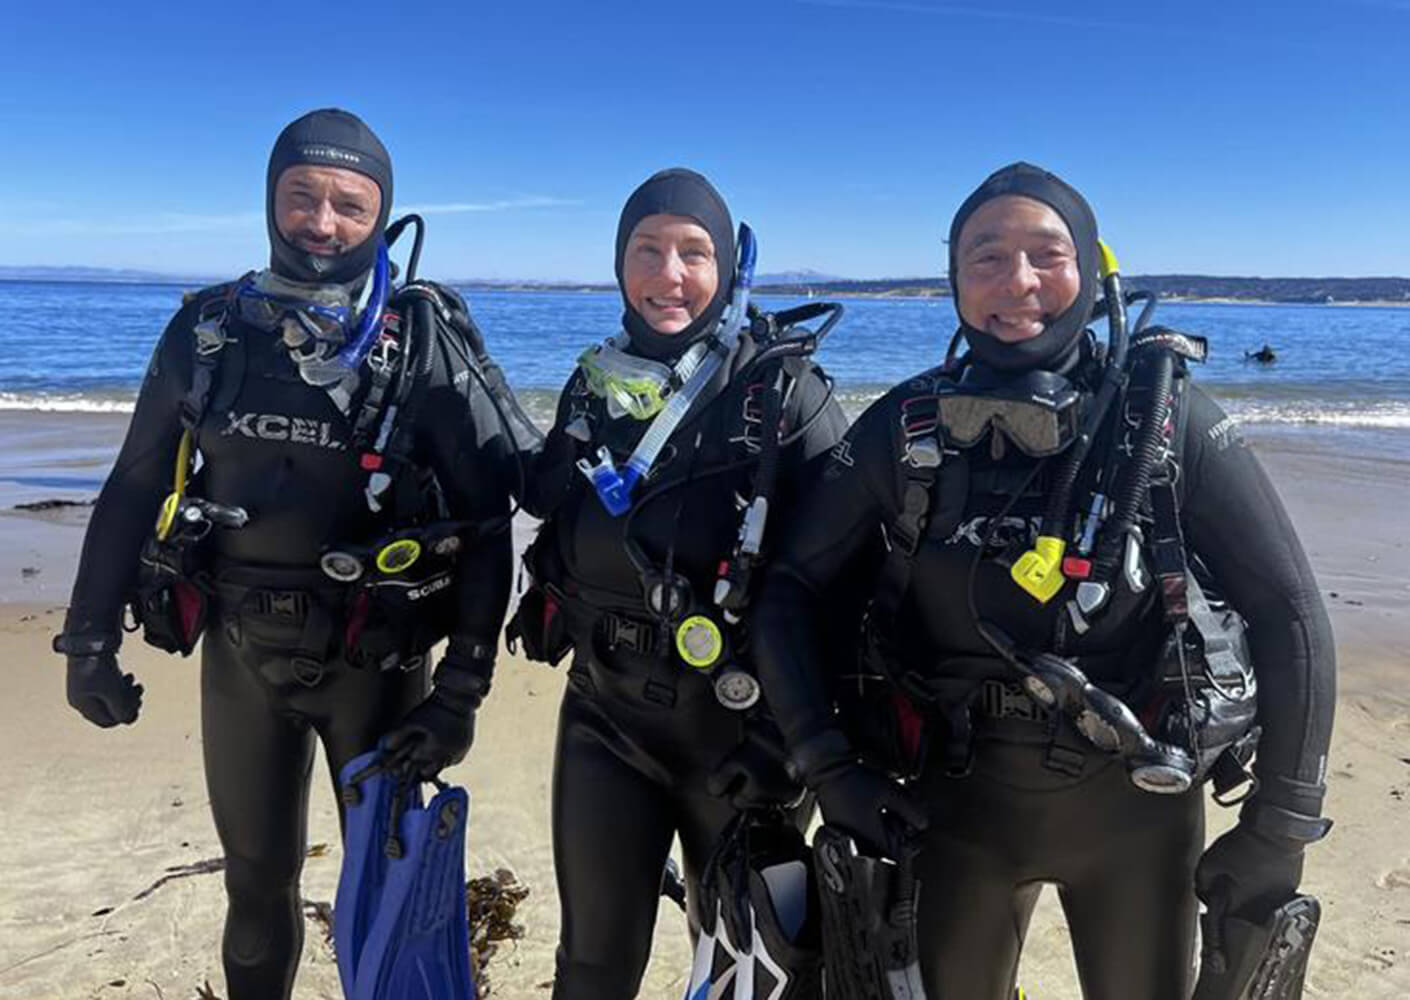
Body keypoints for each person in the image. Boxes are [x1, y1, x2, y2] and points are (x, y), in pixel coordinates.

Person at [753, 162, 1336, 999]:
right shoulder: (906, 429)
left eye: (1046, 253)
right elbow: (788, 591)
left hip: (1139, 816)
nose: (1017, 281)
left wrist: (1281, 819)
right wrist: (827, 765)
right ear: (953, 281)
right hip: (953, 813)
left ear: (1095, 270)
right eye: (985, 257)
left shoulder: (1165, 422)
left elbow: (1292, 616)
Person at [53, 108, 528, 1000]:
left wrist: (461, 691)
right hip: (241, 658)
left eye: (350, 205)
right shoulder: (208, 332)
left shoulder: (420, 346)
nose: (322, 222)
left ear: (382, 217)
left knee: (387, 895)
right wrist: (87, 639)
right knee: (254, 885)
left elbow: (489, 522)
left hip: (377, 665)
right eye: (302, 196)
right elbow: (130, 485)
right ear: (269, 198)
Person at [510, 167, 848, 1000]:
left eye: (694, 252)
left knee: (745, 966)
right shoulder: (595, 384)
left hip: (741, 734)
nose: (669, 275)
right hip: (604, 715)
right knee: (591, 963)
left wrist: (792, 744)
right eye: (647, 250)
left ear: (730, 268)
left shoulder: (786, 396)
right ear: (619, 265)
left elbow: (849, 589)